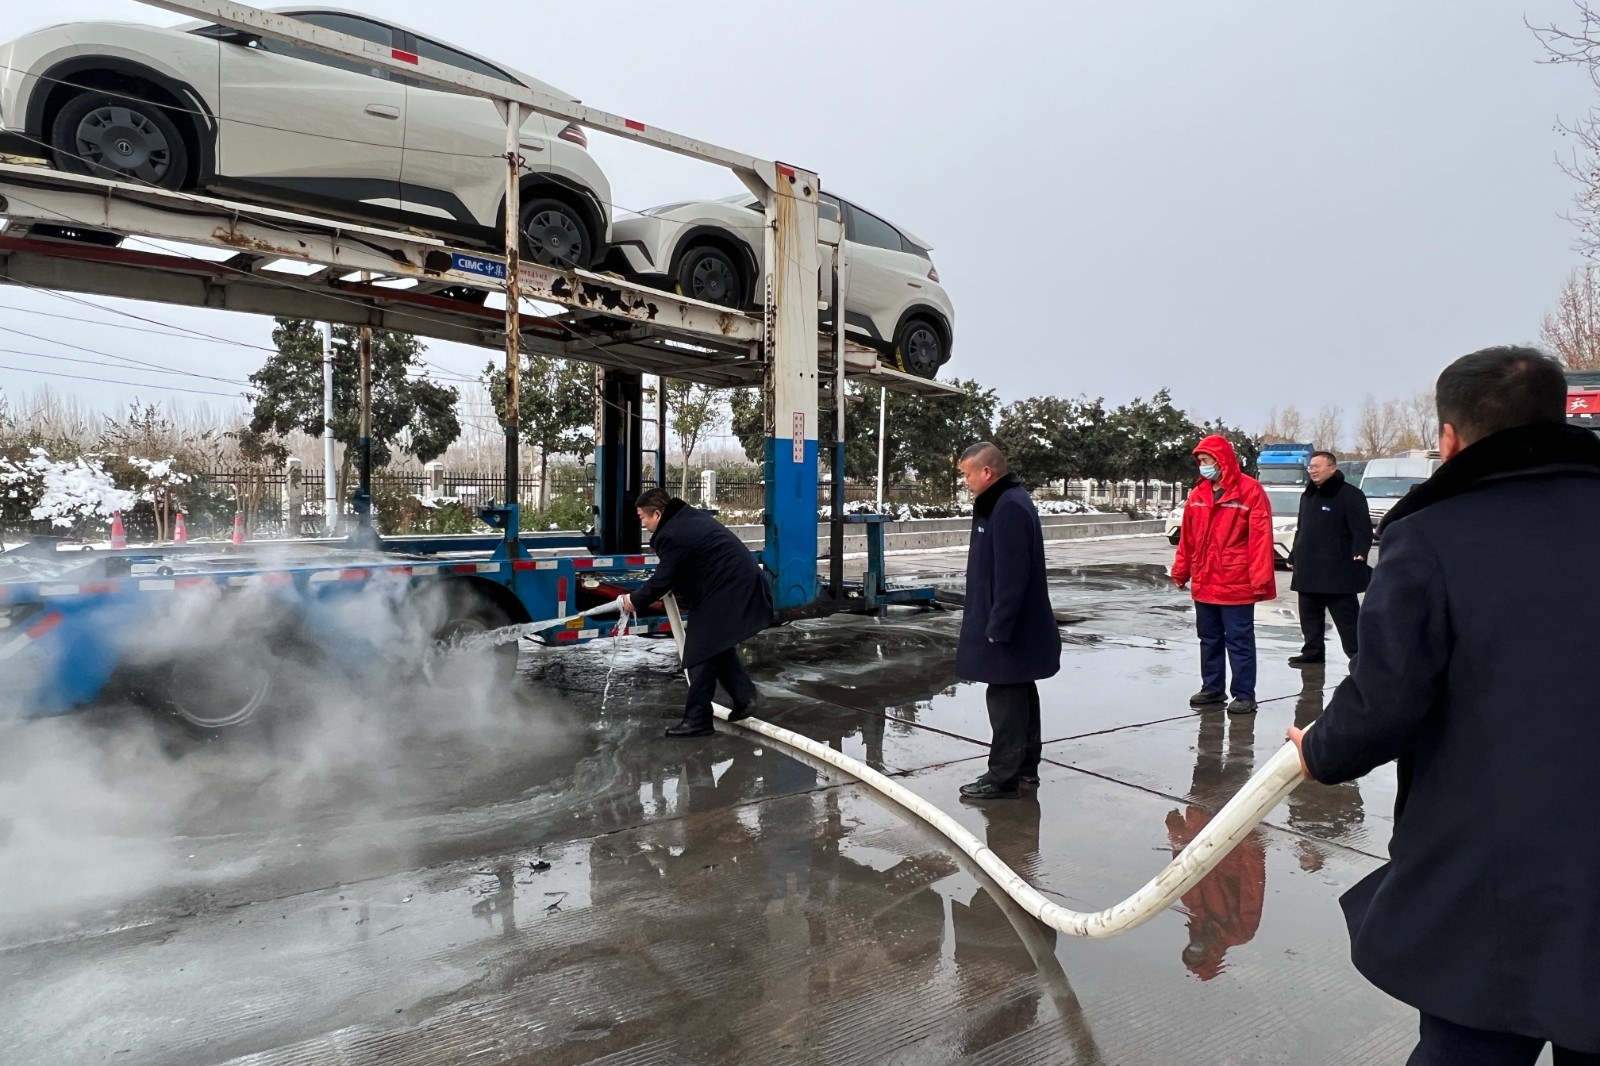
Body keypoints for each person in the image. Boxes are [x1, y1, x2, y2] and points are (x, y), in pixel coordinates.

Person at [1288, 346, 1600, 1065]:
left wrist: (1320, 750)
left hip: (1498, 866)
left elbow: (1386, 697)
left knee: (1475, 1037)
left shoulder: (1433, 532)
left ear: (1450, 439)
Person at [952, 442, 1062, 800]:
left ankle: (1002, 778)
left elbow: (1013, 575)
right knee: (1019, 692)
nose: (965, 481)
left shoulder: (1008, 506)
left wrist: (999, 625)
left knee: (1005, 699)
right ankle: (1025, 769)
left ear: (987, 472)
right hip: (1010, 621)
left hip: (1009, 626)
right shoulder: (1001, 501)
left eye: (968, 474)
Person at [619, 487, 772, 738]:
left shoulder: (673, 533)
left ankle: (698, 720)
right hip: (735, 584)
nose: (642, 523)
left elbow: (663, 579)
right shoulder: (685, 520)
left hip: (728, 589)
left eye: (642, 517)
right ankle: (744, 696)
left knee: (699, 653)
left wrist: (633, 601)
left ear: (657, 514)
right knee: (715, 646)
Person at [1170, 434, 1276, 715]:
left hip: (1235, 581)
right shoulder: (1199, 494)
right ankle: (1212, 688)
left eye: (1206, 460)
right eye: (1200, 461)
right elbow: (1187, 539)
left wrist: (1260, 578)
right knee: (1209, 638)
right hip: (1205, 580)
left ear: (1221, 460)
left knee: (1239, 640)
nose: (1203, 466)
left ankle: (1244, 694)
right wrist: (1181, 570)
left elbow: (1260, 538)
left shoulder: (1250, 491)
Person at [1288, 450, 1372, 665]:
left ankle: (1360, 659)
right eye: (1310, 467)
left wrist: (1360, 552)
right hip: (1308, 569)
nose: (1312, 470)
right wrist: (1293, 554)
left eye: (1317, 466)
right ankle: (1312, 652)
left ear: (1332, 468)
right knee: (1309, 617)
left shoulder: (1350, 495)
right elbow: (1302, 529)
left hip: (1338, 571)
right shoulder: (1308, 495)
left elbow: (1362, 529)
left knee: (1348, 621)